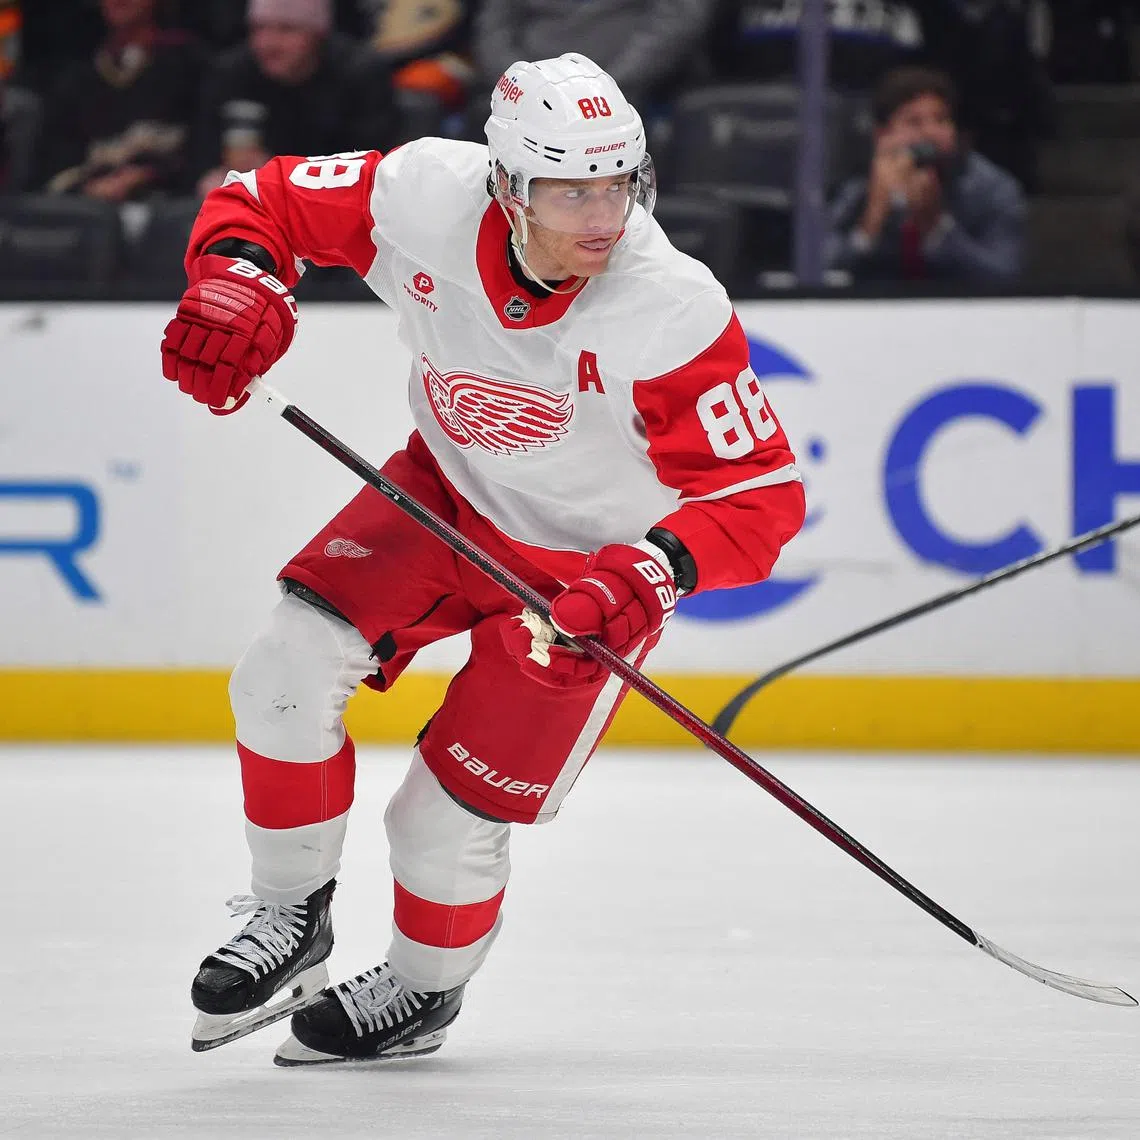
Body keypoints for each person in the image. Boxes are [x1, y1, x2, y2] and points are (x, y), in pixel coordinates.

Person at [160, 52, 805, 1066]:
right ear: (503, 182)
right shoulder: (424, 192)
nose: (602, 216)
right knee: (280, 670)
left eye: (618, 183)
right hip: (443, 495)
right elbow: (261, 201)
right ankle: (290, 918)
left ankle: (421, 991)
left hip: (584, 576)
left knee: (439, 818)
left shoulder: (670, 306)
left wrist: (650, 572)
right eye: (567, 188)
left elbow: (759, 494)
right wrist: (240, 283)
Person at [826, 66, 1026, 285]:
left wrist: (936, 227)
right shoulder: (854, 185)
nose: (931, 133)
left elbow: (1004, 277)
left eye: (941, 120)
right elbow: (817, 268)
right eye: (914, 122)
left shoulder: (992, 189)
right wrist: (872, 218)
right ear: (882, 135)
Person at [193, 0, 400, 198]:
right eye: (259, 28)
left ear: (318, 34)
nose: (268, 43)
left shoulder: (359, 75)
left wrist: (276, 175)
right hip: (247, 200)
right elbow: (200, 149)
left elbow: (366, 166)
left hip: (330, 206)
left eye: (287, 29)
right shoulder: (232, 73)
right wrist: (210, 176)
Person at [35, 0, 203, 201]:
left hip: (171, 207)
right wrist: (90, 187)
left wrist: (147, 175)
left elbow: (203, 154)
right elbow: (51, 168)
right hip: (89, 212)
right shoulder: (76, 78)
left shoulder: (190, 65)